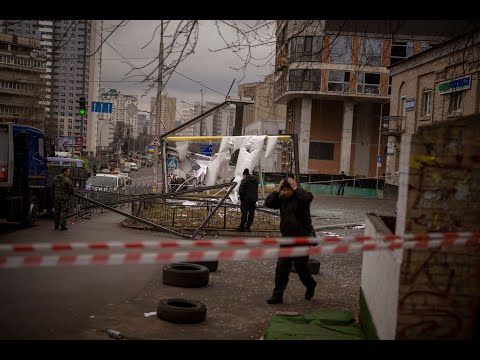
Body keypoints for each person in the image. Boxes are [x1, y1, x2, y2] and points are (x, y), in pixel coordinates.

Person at [264, 176, 317, 304]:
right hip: (287, 239)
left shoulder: (301, 198)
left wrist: (296, 188)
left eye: (288, 190)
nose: (286, 192)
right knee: (281, 267)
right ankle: (277, 295)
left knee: (300, 267)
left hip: (302, 238)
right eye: (284, 190)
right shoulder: (282, 199)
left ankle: (310, 285)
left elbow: (308, 198)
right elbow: (268, 203)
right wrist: (277, 191)